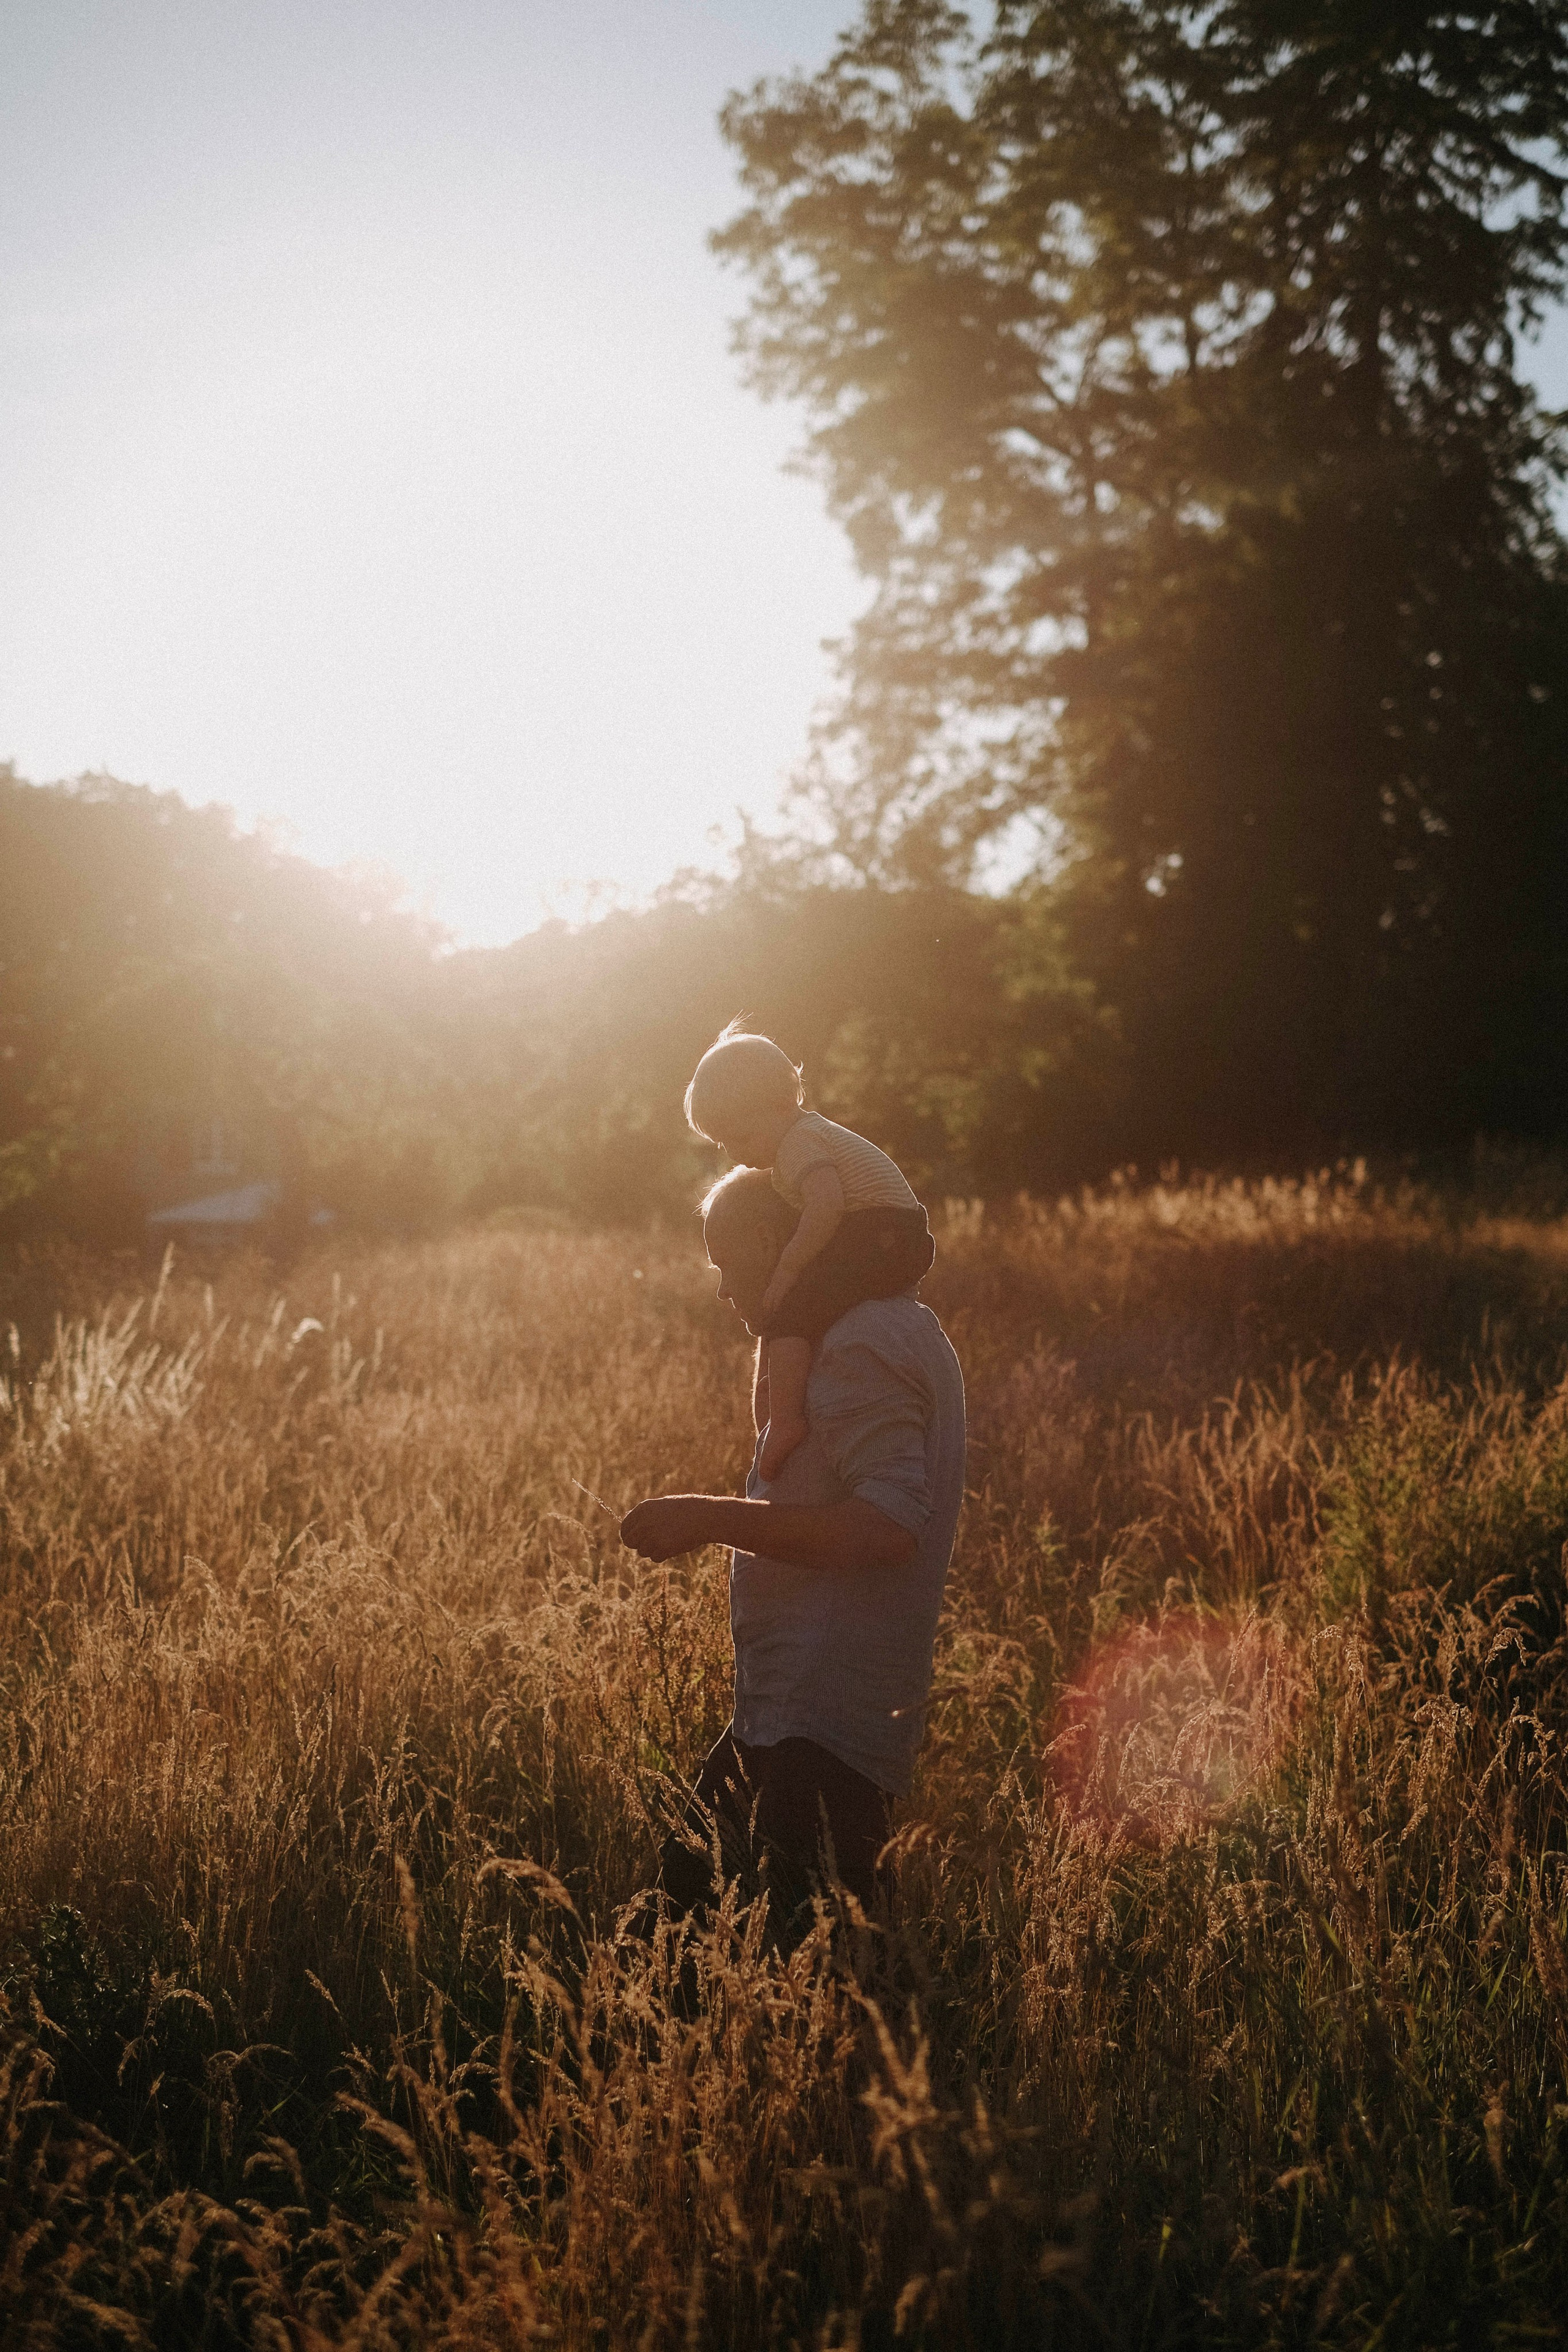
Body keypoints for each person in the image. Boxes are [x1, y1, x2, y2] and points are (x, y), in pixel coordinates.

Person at [619, 1164, 965, 1933]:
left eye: (727, 1264)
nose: (722, 1291)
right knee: (677, 1920)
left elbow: (886, 1529)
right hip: (788, 1709)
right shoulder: (868, 1329)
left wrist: (708, 1518)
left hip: (827, 1719)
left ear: (774, 1240)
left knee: (807, 1959)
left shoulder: (862, 1341)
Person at [682, 1024, 935, 1480]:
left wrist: (788, 1266)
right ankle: (780, 1420)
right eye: (725, 1144)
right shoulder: (808, 1137)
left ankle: (786, 1422)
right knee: (807, 1303)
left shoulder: (800, 1143)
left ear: (781, 1105)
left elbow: (827, 1206)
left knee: (794, 1306)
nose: (736, 1155)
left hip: (883, 1231)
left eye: (741, 1137)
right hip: (893, 1234)